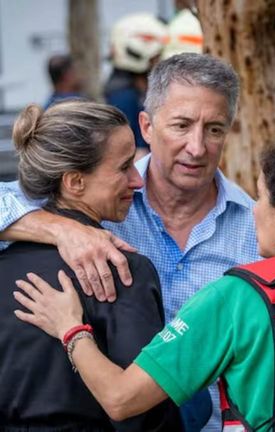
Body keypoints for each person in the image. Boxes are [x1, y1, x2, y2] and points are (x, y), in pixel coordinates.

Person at [13, 137, 275, 432]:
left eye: (260, 196)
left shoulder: (242, 296)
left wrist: (71, 329)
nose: (253, 208)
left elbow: (121, 399)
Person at [0, 53, 257, 431]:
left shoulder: (257, 234)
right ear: (147, 126)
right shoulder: (95, 198)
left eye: (214, 129)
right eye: (181, 125)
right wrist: (60, 230)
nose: (197, 147)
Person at [0, 101, 181, 430]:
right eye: (124, 167)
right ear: (74, 182)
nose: (137, 181)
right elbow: (145, 416)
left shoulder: (5, 264)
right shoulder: (124, 271)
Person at [105, 13, 168, 162]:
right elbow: (136, 152)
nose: (159, 60)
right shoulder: (125, 96)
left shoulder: (125, 89)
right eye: (156, 56)